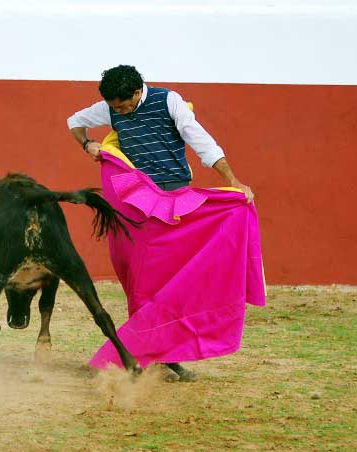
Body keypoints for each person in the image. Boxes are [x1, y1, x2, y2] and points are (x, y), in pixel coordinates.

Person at [67, 65, 254, 381]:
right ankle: (146, 355)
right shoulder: (110, 108)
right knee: (143, 285)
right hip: (139, 208)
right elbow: (75, 122)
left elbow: (201, 141)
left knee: (178, 282)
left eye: (125, 106)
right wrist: (88, 145)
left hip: (177, 202)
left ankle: (170, 356)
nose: (121, 113)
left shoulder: (169, 102)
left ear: (138, 92)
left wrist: (233, 180)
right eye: (115, 108)